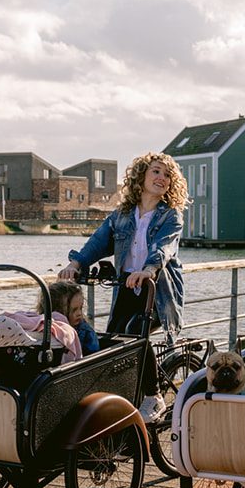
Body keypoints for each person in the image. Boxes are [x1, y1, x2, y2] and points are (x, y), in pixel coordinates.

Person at [59, 152, 188, 418]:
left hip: (158, 291)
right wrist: (76, 264)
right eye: (156, 171)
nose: (162, 178)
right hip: (126, 287)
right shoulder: (122, 215)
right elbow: (98, 242)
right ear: (141, 176)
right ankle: (122, 395)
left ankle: (154, 396)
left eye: (167, 175)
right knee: (112, 340)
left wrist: (148, 270)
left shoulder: (171, 216)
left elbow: (163, 248)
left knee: (135, 332)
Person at [41, 280, 100, 358]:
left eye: (81, 308)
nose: (79, 313)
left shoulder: (85, 332)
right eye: (74, 310)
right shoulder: (44, 327)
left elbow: (93, 356)